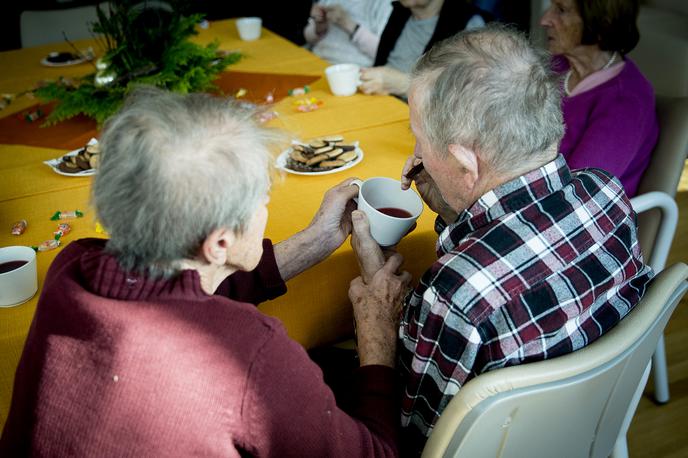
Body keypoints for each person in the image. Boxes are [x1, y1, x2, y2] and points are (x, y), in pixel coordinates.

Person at [0, 88, 412, 457]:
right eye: (262, 200)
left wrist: (313, 242)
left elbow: (179, 290)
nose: (265, 211)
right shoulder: (249, 354)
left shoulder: (73, 264)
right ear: (218, 244)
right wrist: (377, 331)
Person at [350, 25, 653, 455]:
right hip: (580, 433)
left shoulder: (456, 294)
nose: (417, 156)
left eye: (420, 140)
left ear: (465, 162)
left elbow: (409, 437)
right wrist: (455, 211)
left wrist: (377, 327)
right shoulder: (606, 194)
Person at [540, 0, 658, 197]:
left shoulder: (626, 103)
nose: (545, 20)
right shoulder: (557, 65)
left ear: (602, 23)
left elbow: (579, 193)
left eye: (561, 10)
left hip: (577, 216)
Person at [359, 0, 488, 96]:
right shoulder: (399, 12)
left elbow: (468, 94)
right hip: (380, 98)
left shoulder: (469, 24)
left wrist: (405, 84)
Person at [304, 0, 393, 67]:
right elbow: (309, 39)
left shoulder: (384, 4)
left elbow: (386, 53)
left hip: (353, 72)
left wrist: (347, 24)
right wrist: (320, 26)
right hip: (317, 61)